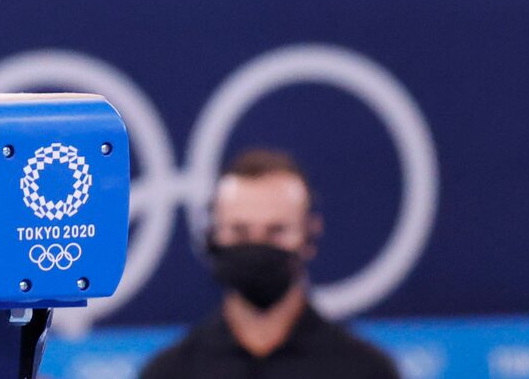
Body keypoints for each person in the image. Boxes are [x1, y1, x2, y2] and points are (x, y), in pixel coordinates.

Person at [140, 149, 399, 379]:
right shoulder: (170, 372)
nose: (257, 246)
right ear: (212, 234)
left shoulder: (365, 371)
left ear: (309, 234)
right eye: (239, 231)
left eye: (276, 231)